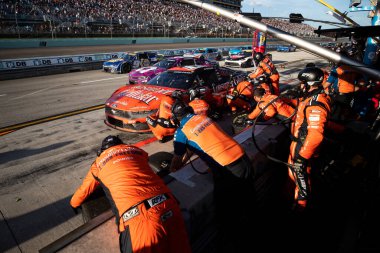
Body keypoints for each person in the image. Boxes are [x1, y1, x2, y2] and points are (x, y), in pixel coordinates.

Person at [70, 135, 192, 253]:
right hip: (170, 205)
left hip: (139, 220)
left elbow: (84, 191)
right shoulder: (137, 151)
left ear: (102, 151)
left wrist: (73, 204)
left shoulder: (97, 164)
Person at [169, 101, 255, 252]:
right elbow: (195, 143)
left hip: (228, 169)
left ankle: (234, 243)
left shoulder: (181, 131)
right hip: (242, 157)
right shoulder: (203, 118)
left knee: (227, 212)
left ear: (176, 118)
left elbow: (176, 160)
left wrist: (172, 172)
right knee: (248, 201)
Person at [287, 67, 331, 211]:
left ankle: (301, 210)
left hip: (303, 147)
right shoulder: (310, 98)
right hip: (298, 144)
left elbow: (316, 135)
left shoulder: (315, 104)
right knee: (296, 176)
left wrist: (302, 157)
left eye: (302, 83)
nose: (300, 86)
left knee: (302, 182)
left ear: (308, 83)